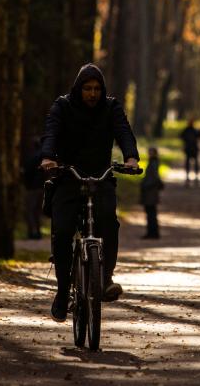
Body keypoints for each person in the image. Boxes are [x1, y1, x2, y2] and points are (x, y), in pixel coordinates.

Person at [40, 63, 139, 322]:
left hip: (101, 176)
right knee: (62, 233)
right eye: (87, 89)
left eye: (96, 89)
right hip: (68, 177)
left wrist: (130, 158)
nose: (92, 94)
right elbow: (51, 132)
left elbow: (124, 132)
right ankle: (63, 293)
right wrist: (49, 157)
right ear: (78, 88)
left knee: (109, 223)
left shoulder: (111, 107)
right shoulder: (62, 106)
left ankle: (104, 278)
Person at [22, 136, 45, 239]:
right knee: (37, 212)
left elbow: (27, 172)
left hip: (32, 188)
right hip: (41, 187)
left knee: (30, 211)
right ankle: (38, 232)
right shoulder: (44, 157)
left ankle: (32, 233)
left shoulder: (32, 157)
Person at [140, 147, 164, 239]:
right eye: (149, 152)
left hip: (150, 192)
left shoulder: (153, 163)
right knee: (151, 213)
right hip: (151, 191)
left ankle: (152, 233)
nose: (149, 154)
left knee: (151, 213)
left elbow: (154, 177)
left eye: (151, 152)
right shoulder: (153, 162)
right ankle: (152, 232)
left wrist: (145, 185)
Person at [180, 119, 200, 186]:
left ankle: (195, 177)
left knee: (194, 163)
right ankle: (188, 177)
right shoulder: (187, 130)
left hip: (193, 149)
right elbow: (181, 137)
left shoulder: (194, 130)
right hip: (189, 149)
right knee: (188, 163)